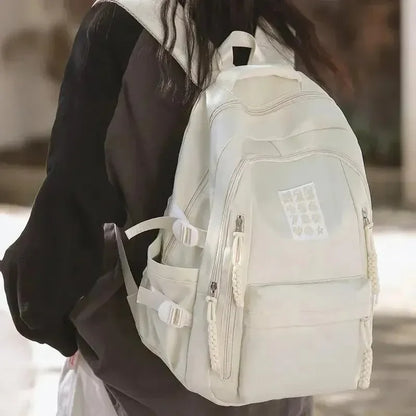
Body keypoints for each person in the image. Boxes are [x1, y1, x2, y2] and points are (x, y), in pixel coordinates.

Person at [1, 1, 340, 414]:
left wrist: (51, 318)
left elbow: (64, 225)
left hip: (140, 369)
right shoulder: (281, 36)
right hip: (275, 372)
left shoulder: (119, 28)